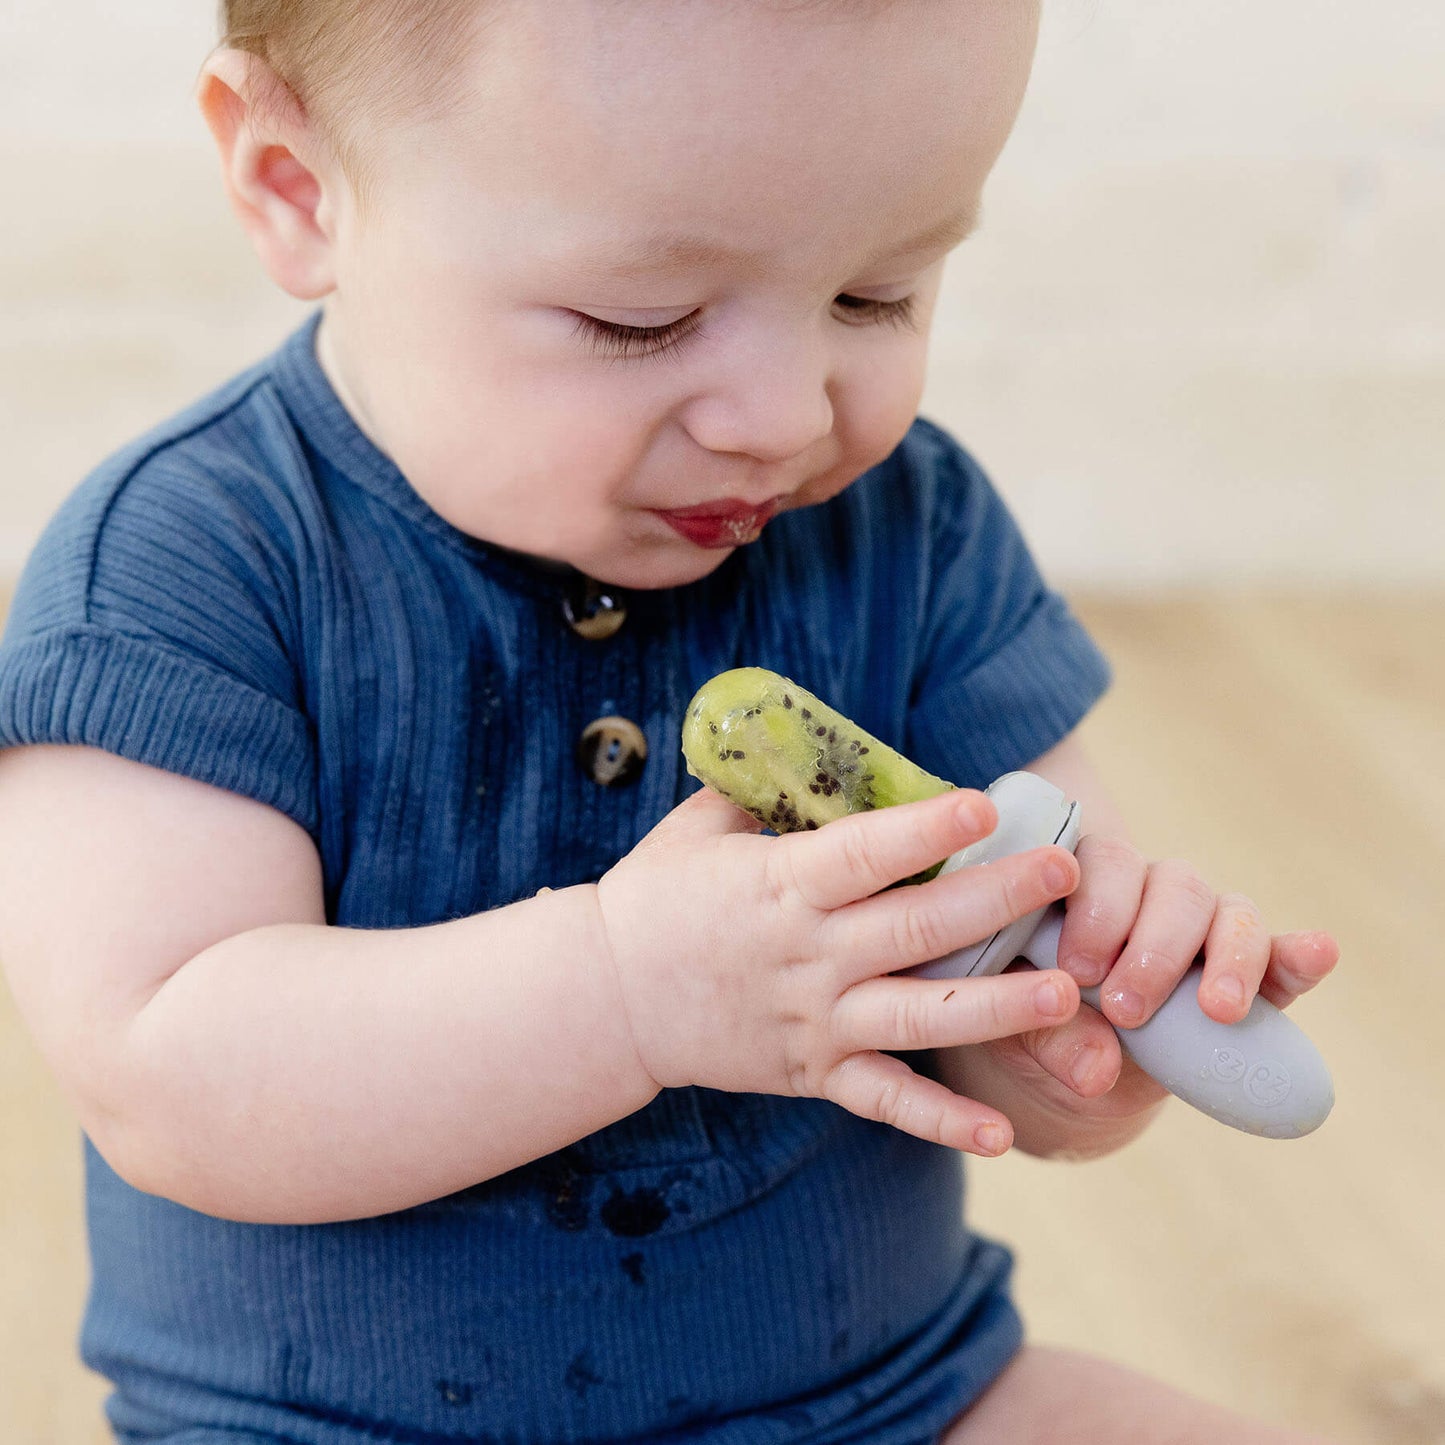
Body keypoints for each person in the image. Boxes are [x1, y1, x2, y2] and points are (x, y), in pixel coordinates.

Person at [0, 2, 1339, 1441]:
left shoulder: (910, 529)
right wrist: (625, 992)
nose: (778, 415)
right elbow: (174, 1080)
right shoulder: (186, 569)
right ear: (297, 187)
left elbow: (1011, 1039)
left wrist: (1070, 1030)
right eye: (639, 319)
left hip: (886, 1399)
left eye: (875, 293)